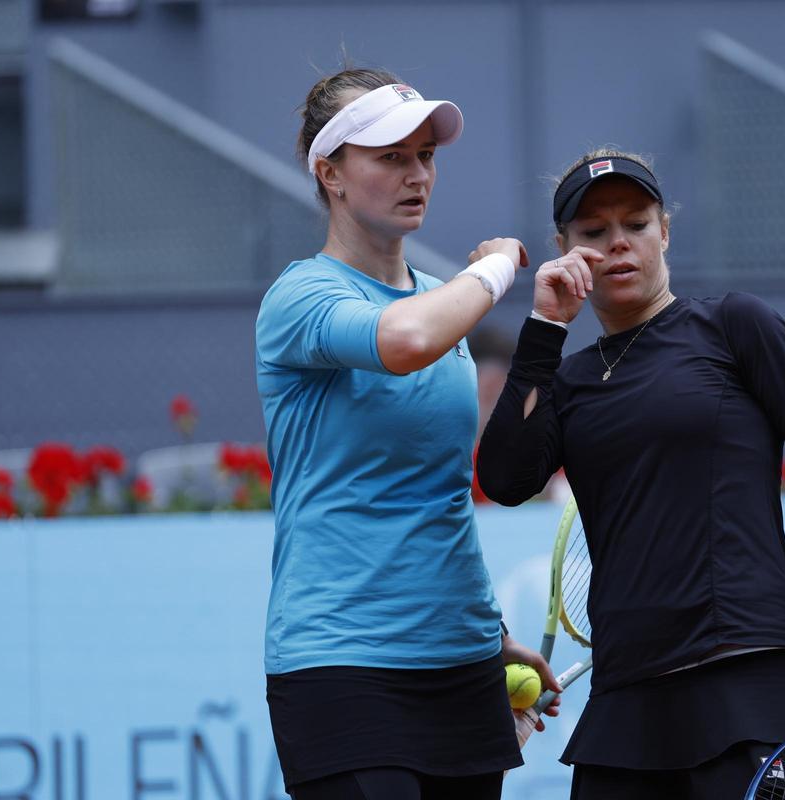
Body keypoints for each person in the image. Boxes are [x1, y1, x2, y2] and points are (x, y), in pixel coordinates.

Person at [476, 149, 785, 799]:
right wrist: (545, 327)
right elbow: (505, 478)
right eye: (593, 232)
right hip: (625, 717)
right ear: (564, 248)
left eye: (636, 224)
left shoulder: (734, 326)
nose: (618, 243)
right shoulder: (568, 379)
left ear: (665, 231)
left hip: (750, 691)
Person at [255, 68, 558, 800]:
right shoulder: (303, 296)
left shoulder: (440, 304)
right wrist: (492, 268)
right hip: (340, 667)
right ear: (329, 173)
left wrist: (489, 633)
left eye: (425, 155)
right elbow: (405, 340)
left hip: (460, 663)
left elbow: (443, 496)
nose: (417, 173)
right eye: (390, 157)